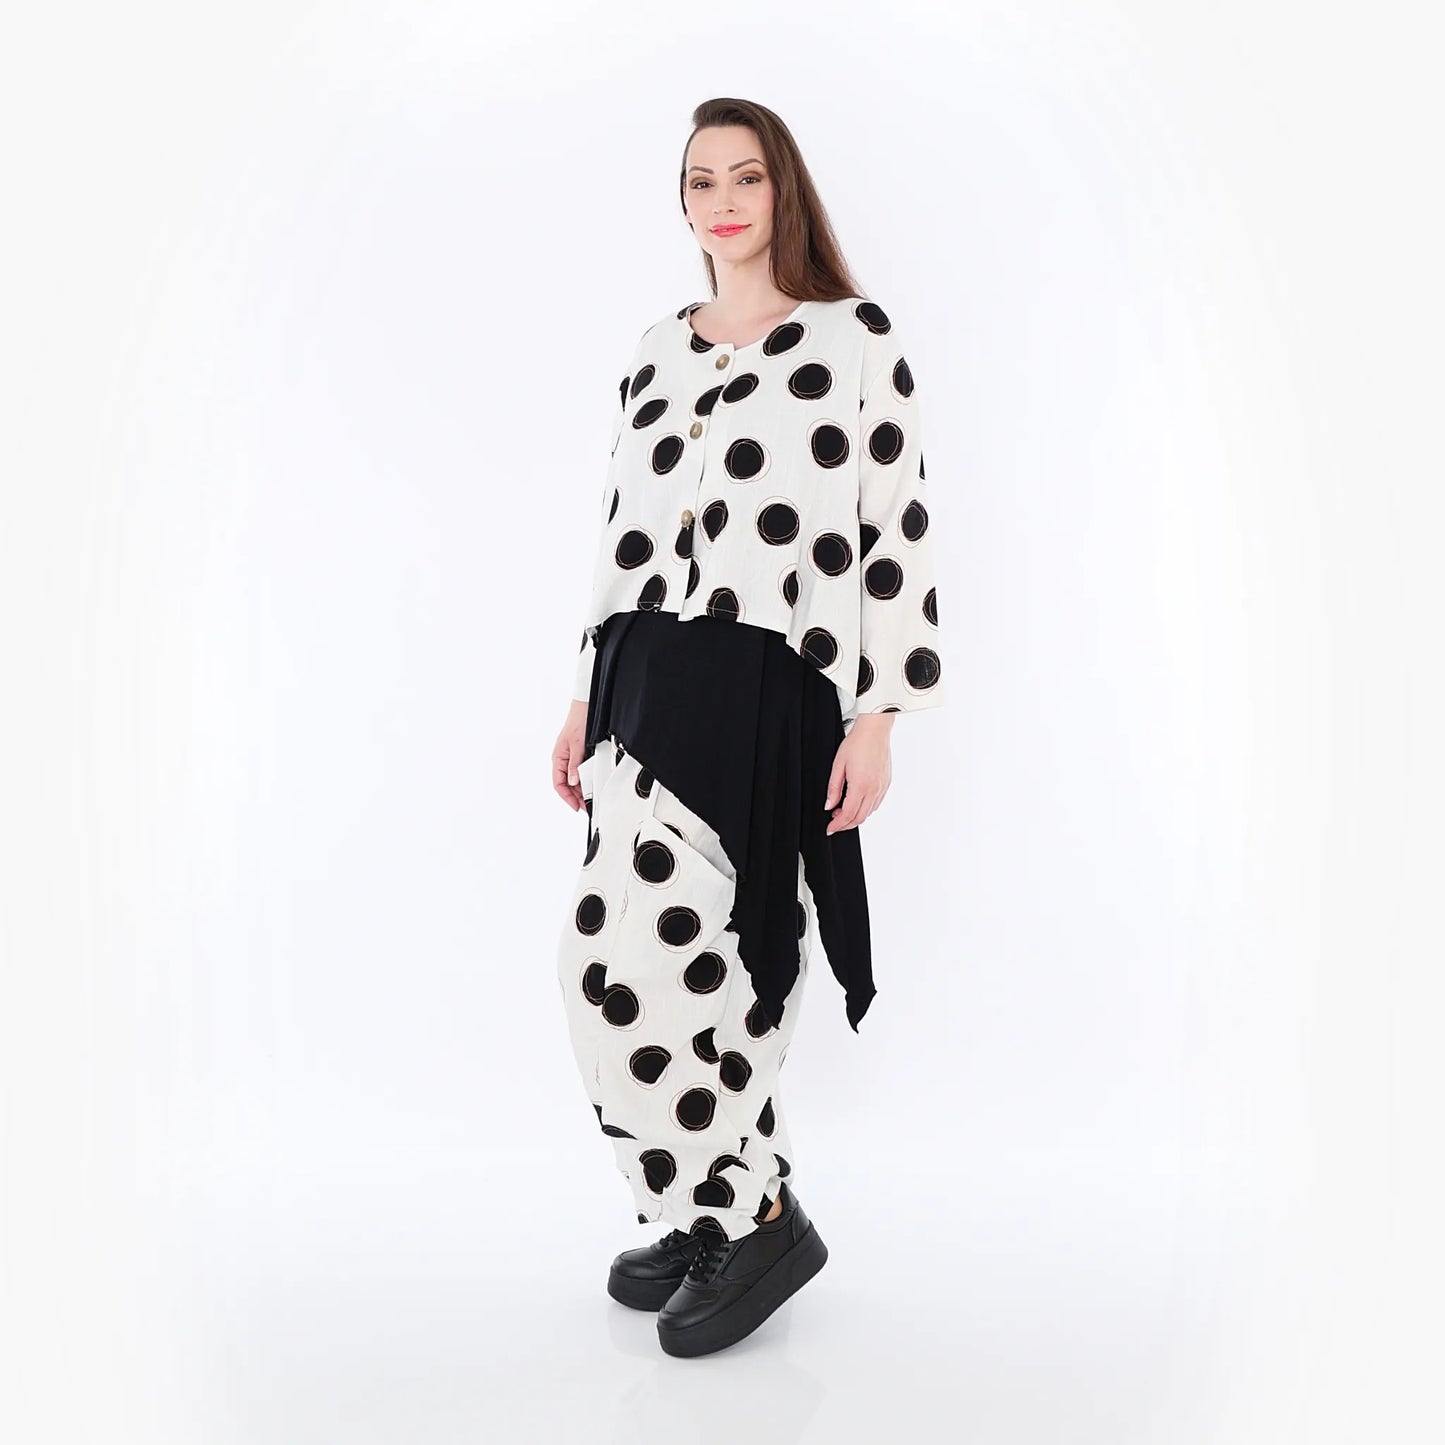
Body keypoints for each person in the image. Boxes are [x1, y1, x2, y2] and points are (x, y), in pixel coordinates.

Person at [550, 97, 946, 1358]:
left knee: (711, 964)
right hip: (639, 678)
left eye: (745, 178)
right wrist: (582, 691)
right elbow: (618, 531)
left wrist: (879, 715)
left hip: (764, 687)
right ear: (681, 202)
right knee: (602, 961)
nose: (721, 202)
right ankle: (711, 1199)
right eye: (699, 181)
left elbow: (893, 532)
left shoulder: (852, 339)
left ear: (783, 192)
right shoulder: (654, 349)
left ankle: (747, 1211)